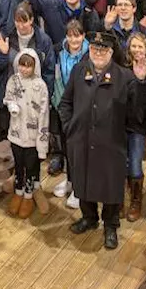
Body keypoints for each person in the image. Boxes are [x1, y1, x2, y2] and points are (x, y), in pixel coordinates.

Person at [59, 30, 135, 249]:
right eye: (94, 49)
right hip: (81, 138)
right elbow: (65, 103)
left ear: (111, 52)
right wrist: (69, 128)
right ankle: (89, 218)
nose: (98, 53)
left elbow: (137, 110)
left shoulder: (124, 76)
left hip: (111, 142)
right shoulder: (79, 70)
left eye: (103, 50)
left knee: (110, 184)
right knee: (83, 180)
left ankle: (111, 225)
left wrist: (140, 83)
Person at [0, 3, 55, 150]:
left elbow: (49, 70)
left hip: (33, 93)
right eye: (17, 21)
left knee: (29, 129)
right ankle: (6, 136)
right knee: (10, 123)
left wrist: (46, 96)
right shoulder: (6, 36)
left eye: (24, 21)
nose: (20, 25)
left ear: (31, 20)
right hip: (11, 89)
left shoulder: (43, 40)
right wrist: (4, 54)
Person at [4, 49, 51, 219]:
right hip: (16, 134)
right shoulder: (13, 80)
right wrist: (11, 106)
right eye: (21, 65)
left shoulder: (40, 86)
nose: (24, 69)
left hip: (32, 137)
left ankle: (29, 196)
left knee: (31, 167)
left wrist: (42, 143)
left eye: (28, 66)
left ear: (34, 66)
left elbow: (44, 115)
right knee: (18, 164)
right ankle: (18, 191)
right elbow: (8, 97)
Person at [50, 20, 88, 207]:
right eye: (70, 35)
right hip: (64, 109)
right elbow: (57, 80)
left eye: (77, 35)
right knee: (67, 149)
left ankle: (80, 189)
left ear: (83, 36)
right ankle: (70, 181)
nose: (74, 39)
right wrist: (61, 106)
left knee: (79, 152)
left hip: (83, 111)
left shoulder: (89, 55)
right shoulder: (60, 53)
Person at [124, 32, 146, 222]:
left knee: (135, 166)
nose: (136, 50)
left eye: (140, 47)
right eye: (133, 46)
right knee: (119, 165)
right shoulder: (122, 68)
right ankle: (118, 200)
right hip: (119, 124)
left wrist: (142, 80)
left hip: (139, 126)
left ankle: (136, 199)